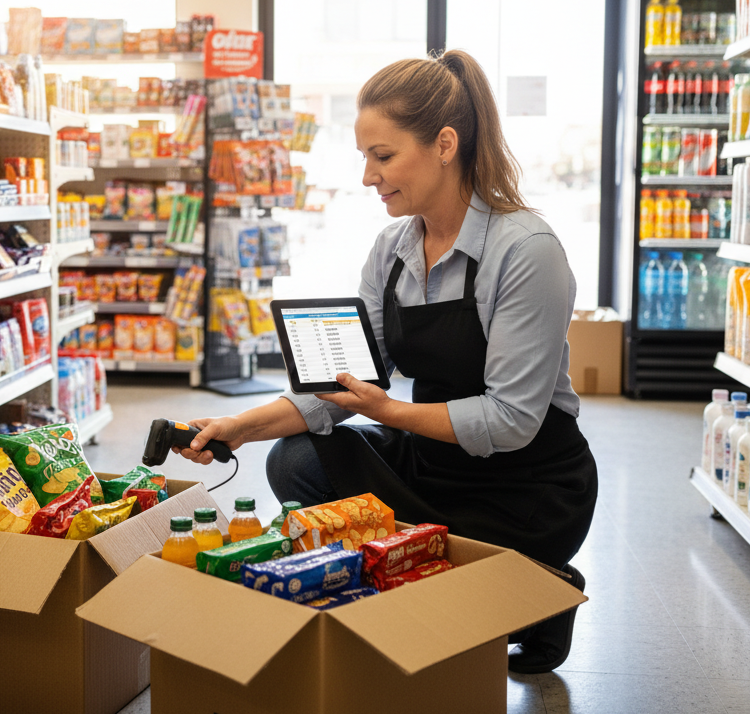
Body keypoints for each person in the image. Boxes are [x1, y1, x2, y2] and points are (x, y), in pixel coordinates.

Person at [174, 52, 599, 673]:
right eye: (364, 157)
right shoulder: (394, 249)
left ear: (445, 144)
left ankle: (540, 587)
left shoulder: (526, 252)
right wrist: (240, 426)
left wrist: (391, 412)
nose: (369, 176)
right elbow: (345, 385)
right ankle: (450, 578)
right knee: (295, 458)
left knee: (391, 493)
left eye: (383, 155)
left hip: (526, 489)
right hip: (433, 463)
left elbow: (511, 420)